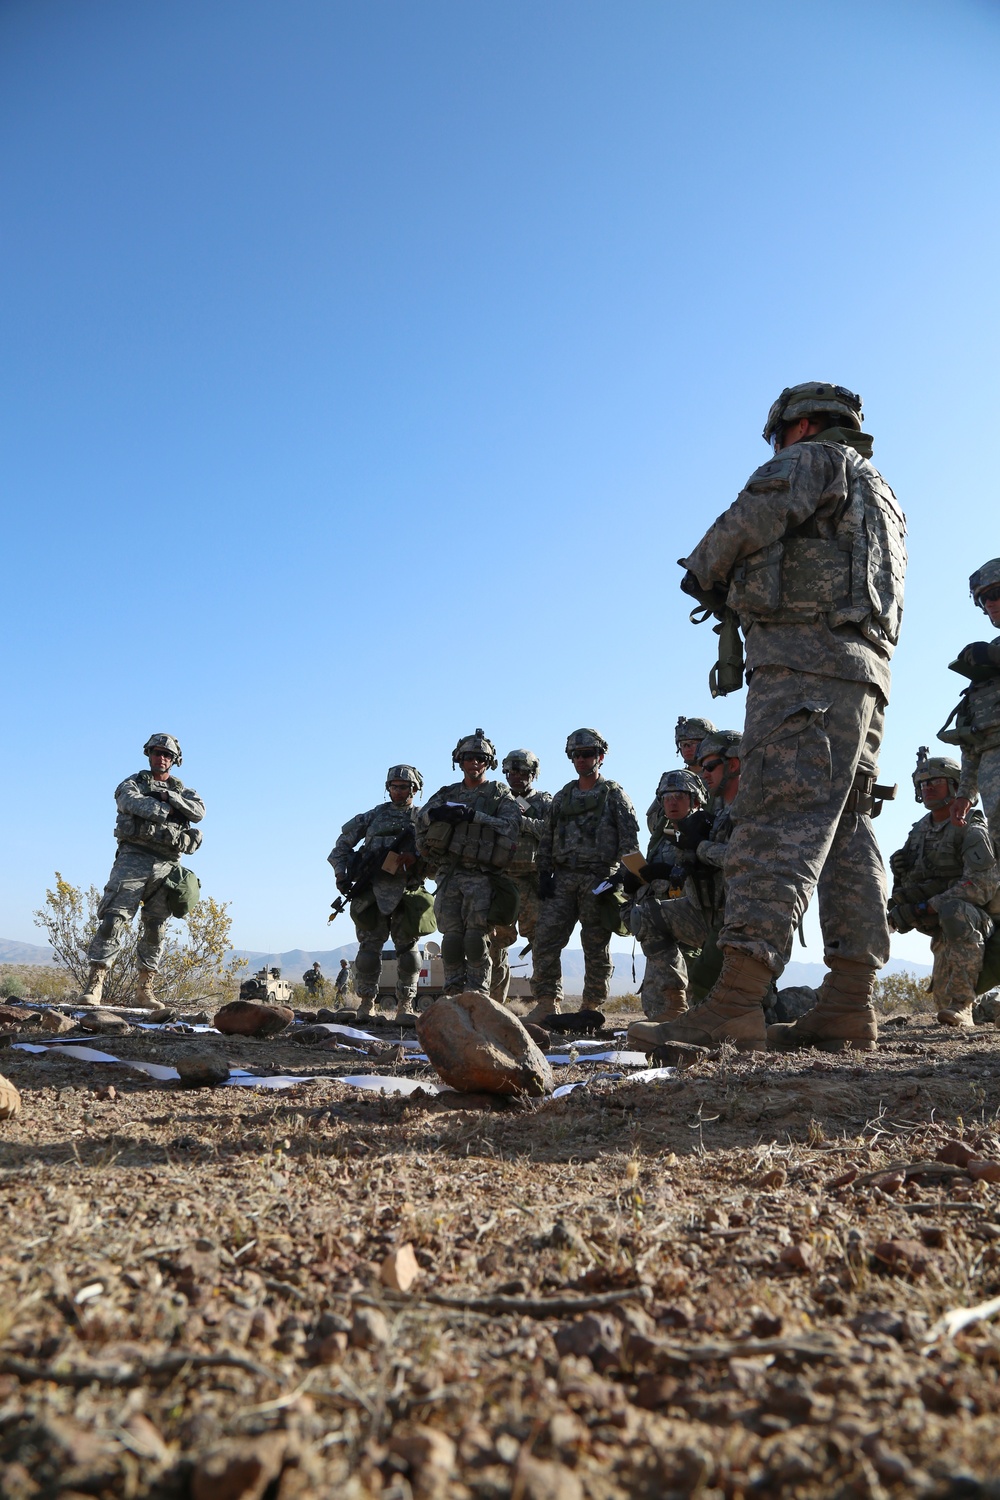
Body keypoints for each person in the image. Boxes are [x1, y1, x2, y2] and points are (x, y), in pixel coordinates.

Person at [667, 381, 906, 1052]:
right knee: (847, 828)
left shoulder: (813, 461)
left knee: (775, 818)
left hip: (803, 668)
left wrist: (704, 570)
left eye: (777, 438)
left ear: (799, 425)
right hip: (863, 679)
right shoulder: (884, 496)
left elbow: (743, 524)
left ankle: (737, 1003)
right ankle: (849, 1005)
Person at [627, 732, 742, 1038]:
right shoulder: (679, 832)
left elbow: (742, 859)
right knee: (647, 915)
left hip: (736, 921)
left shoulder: (728, 816)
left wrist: (700, 848)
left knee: (710, 983)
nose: (672, 802)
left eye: (679, 796)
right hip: (701, 915)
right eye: (666, 798)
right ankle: (671, 1007)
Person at [81, 733, 205, 1009]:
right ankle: (95, 984)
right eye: (157, 752)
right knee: (113, 919)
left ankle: (144, 990)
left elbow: (198, 812)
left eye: (167, 755)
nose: (161, 758)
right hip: (133, 858)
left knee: (156, 928)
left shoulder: (184, 791)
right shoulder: (133, 783)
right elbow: (129, 802)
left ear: (175, 760)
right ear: (148, 754)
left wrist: (169, 796)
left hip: (168, 864)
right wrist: (168, 810)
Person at [527, 728, 640, 1020]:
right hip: (563, 879)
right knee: (545, 939)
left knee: (595, 944)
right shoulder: (563, 796)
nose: (581, 759)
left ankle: (591, 1007)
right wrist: (543, 874)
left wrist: (623, 877)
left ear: (600, 757)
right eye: (576, 755)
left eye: (587, 754)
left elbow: (630, 842)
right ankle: (547, 1002)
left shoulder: (614, 795)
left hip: (599, 879)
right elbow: (547, 838)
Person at [883, 750, 998, 1030]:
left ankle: (965, 1006)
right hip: (946, 927)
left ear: (956, 785)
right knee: (942, 1008)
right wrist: (900, 876)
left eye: (936, 781)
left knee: (955, 911)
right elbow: (914, 883)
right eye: (923, 783)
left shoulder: (971, 826)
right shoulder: (919, 830)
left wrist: (924, 907)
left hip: (980, 922)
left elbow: (980, 887)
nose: (928, 787)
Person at [415, 731, 521, 996]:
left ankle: (477, 992)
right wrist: (435, 814)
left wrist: (475, 816)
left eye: (480, 758)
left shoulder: (498, 793)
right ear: (459, 761)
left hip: (481, 876)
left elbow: (511, 825)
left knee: (475, 938)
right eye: (468, 758)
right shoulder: (447, 793)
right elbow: (418, 821)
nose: (474, 763)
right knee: (450, 939)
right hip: (449, 875)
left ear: (489, 762)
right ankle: (452, 991)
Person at [329, 765, 433, 1019]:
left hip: (407, 891)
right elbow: (342, 845)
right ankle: (366, 1004)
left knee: (409, 955)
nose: (398, 791)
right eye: (393, 786)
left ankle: (405, 1005)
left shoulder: (423, 818)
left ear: (415, 789)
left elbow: (437, 851)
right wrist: (341, 875)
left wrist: (416, 856)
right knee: (367, 952)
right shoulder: (374, 816)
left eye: (404, 787)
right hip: (371, 891)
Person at [940, 558, 1000, 845]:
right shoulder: (988, 655)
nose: (991, 603)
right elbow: (975, 735)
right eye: (984, 598)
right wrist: (965, 794)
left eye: (997, 593)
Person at [489, 750, 553, 1004]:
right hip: (500, 881)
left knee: (539, 941)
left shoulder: (544, 802)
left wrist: (521, 821)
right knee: (495, 943)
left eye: (522, 772)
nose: (516, 777)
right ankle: (494, 1003)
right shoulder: (497, 800)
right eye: (511, 772)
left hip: (531, 881)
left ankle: (544, 1002)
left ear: (533, 774)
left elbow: (552, 832)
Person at [645, 716, 717, 838]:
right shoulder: (677, 780)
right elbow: (653, 821)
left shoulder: (719, 776)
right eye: (683, 744)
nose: (687, 748)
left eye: (693, 743)